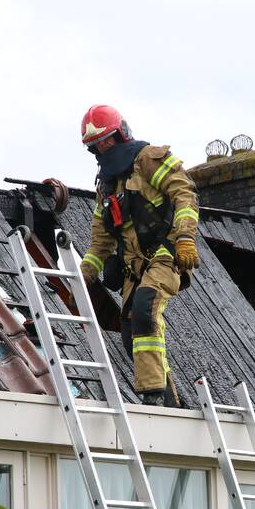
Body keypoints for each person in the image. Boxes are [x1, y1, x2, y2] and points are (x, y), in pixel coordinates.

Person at [78, 104, 200, 406]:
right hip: (134, 268)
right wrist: (83, 275)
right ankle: (170, 403)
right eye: (97, 145)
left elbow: (185, 195)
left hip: (166, 254)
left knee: (146, 308)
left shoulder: (148, 159)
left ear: (121, 135)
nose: (104, 148)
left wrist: (185, 238)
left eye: (107, 140)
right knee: (131, 332)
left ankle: (152, 396)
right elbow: (101, 239)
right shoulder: (106, 185)